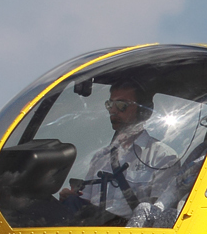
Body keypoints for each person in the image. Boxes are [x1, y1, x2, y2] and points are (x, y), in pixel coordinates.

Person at [60, 79, 179, 222]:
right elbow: (85, 203)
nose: (113, 111)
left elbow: (158, 214)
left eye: (121, 105)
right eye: (110, 105)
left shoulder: (163, 157)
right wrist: (71, 199)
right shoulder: (100, 157)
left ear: (143, 111)